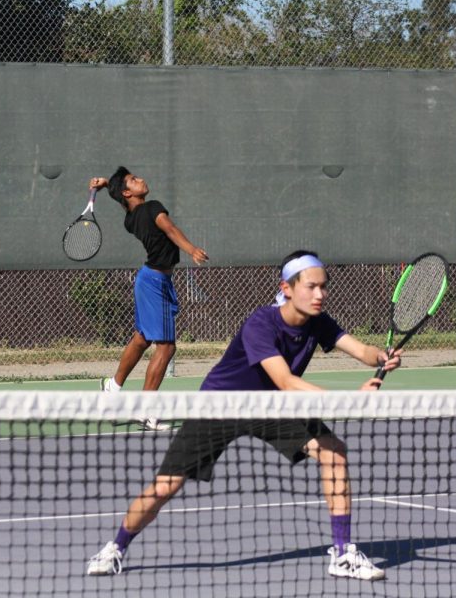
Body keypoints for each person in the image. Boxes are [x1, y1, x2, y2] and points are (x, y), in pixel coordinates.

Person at [86, 250, 403, 581]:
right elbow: (286, 381)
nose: (320, 294)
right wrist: (350, 401)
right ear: (288, 287)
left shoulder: (318, 322)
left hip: (274, 407)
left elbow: (358, 349)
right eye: (311, 286)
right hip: (222, 405)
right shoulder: (261, 323)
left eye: (324, 287)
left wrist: (379, 356)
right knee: (166, 486)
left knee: (333, 452)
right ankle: (116, 546)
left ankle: (342, 554)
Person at [89, 168, 209, 431]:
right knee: (166, 347)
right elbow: (170, 228)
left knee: (142, 338)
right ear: (128, 192)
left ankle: (113, 385)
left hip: (149, 280)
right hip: (154, 283)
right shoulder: (152, 207)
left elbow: (125, 200)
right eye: (134, 180)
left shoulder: (130, 218)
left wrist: (108, 183)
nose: (141, 178)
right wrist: (191, 249)